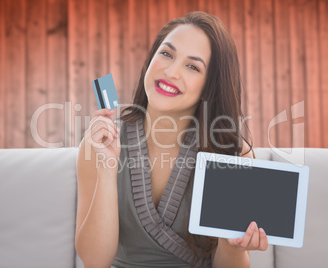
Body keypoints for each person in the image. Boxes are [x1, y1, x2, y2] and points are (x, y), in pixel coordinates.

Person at [75, 11, 268, 268]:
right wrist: (108, 169)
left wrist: (231, 245)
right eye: (166, 54)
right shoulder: (99, 144)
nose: (170, 71)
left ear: (210, 85)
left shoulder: (232, 152)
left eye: (192, 66)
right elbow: (94, 262)